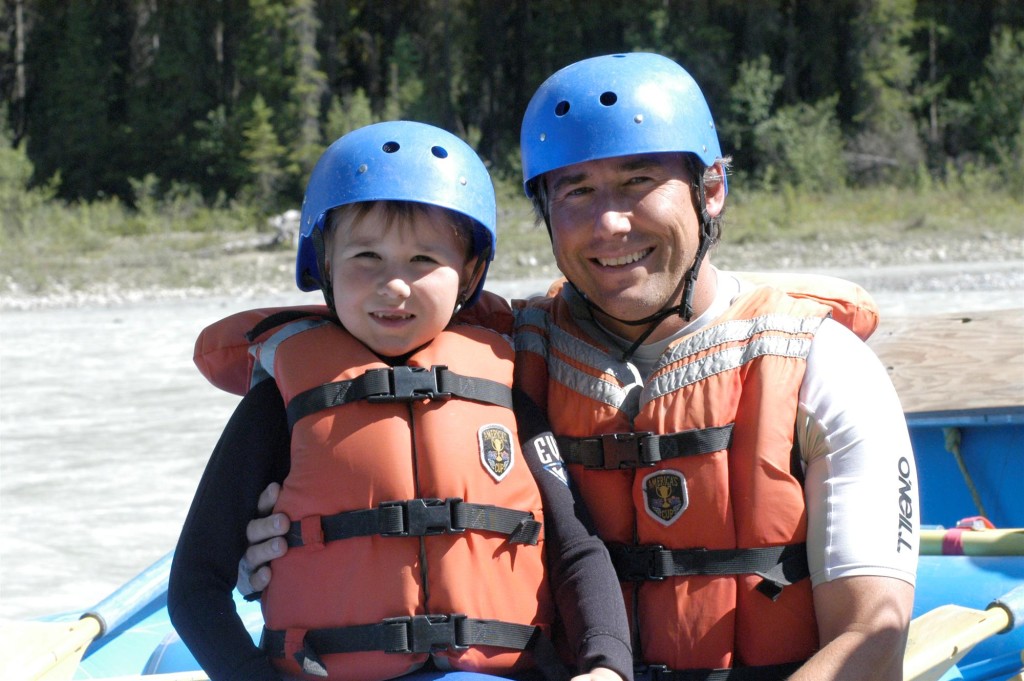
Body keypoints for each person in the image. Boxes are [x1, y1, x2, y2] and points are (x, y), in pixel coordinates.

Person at [241, 54, 920, 680]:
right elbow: (337, 413)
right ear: (543, 210)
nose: (609, 223)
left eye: (638, 182)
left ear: (711, 189)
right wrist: (273, 532)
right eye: (576, 191)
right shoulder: (503, 355)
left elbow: (872, 633)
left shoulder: (822, 367)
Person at [168, 121, 632, 681]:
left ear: (469, 274)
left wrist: (607, 666)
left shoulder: (506, 391)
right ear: (323, 268)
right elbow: (196, 584)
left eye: (422, 261)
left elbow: (577, 551)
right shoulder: (277, 408)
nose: (394, 286)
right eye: (366, 256)